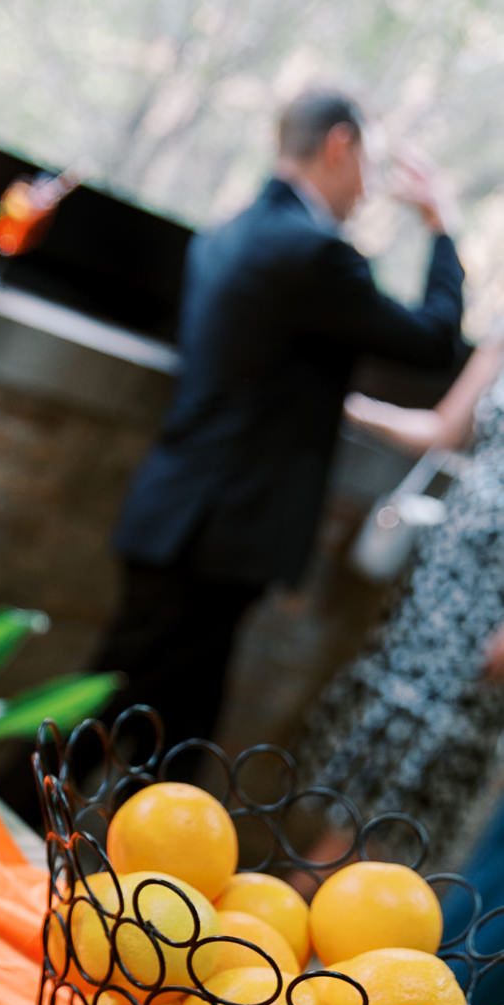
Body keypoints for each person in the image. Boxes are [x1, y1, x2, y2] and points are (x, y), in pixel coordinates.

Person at [94, 89, 465, 752]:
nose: (367, 184)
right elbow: (432, 341)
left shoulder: (227, 232)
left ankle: (155, 851)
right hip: (221, 532)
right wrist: (441, 226)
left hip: (176, 512)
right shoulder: (315, 253)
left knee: (168, 724)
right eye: (367, 162)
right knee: (114, 714)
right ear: (337, 146)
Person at [297, 323, 504, 862]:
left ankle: (330, 903)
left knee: (437, 746)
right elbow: (443, 427)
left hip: (497, 602)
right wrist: (349, 405)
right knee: (388, 727)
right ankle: (314, 896)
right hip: (450, 570)